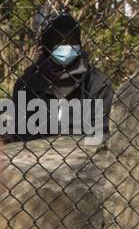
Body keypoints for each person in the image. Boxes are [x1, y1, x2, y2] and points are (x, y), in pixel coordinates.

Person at [7, 13, 112, 144]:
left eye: (73, 42)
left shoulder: (97, 83)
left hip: (82, 159)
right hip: (34, 158)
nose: (68, 48)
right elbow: (20, 133)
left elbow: (99, 134)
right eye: (60, 42)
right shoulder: (27, 83)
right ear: (48, 45)